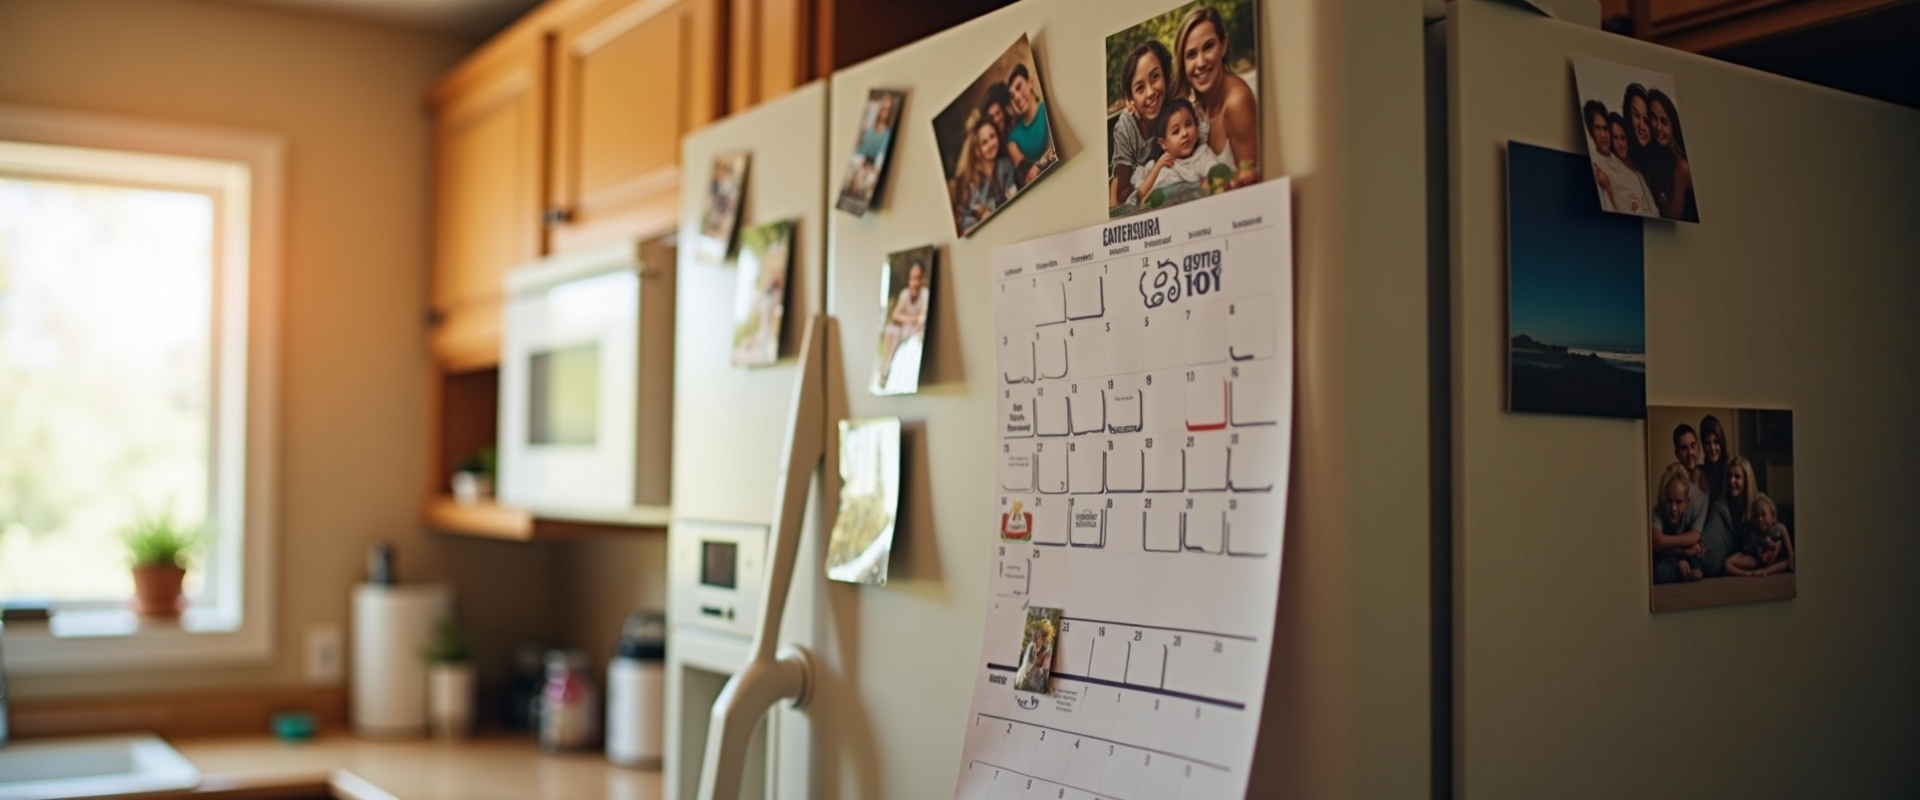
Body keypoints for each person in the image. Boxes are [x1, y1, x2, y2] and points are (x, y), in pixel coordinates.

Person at [1171, 6, 1258, 189]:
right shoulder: (1197, 106)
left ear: (1223, 45)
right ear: (1182, 63)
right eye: (1191, 55)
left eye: (1208, 47)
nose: (1201, 63)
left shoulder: (1237, 102)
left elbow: (1251, 185)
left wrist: (1208, 186)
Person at [1109, 39, 1174, 210]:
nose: (1150, 92)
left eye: (1155, 77)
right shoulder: (1127, 127)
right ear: (1130, 99)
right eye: (1140, 88)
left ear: (1165, 76)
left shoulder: (1176, 108)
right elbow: (1119, 197)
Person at [1133, 98, 1222, 200]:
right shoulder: (1162, 165)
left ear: (1197, 126)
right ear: (1163, 144)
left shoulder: (1202, 155)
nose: (1184, 133)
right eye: (1176, 131)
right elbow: (1141, 195)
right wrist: (1157, 167)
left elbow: (1216, 172)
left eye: (1189, 124)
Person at [951, 110, 1017, 235]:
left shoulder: (1006, 166)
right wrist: (979, 219)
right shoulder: (970, 179)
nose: (991, 144)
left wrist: (989, 210)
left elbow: (1013, 194)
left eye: (992, 136)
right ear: (977, 149)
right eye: (984, 142)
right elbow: (965, 221)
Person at [1651, 465, 1708, 583]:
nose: (1673, 508)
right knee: (1660, 570)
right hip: (1663, 555)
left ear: (1687, 503)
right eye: (1669, 501)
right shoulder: (1658, 512)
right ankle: (1684, 571)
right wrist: (1684, 551)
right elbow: (1656, 543)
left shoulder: (1693, 510)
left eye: (1678, 502)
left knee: (1704, 556)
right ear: (1663, 499)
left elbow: (1694, 538)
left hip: (1682, 554)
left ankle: (1689, 570)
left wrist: (1688, 552)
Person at [1646, 89, 1697, 221]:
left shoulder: (1681, 166)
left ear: (1673, 126)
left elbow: (1671, 221)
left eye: (1664, 122)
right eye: (1653, 118)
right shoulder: (1660, 159)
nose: (1658, 127)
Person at [878, 259, 930, 386]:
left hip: (915, 332)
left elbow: (923, 317)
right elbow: (895, 315)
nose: (915, 283)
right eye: (912, 278)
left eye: (918, 278)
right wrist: (913, 318)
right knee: (892, 331)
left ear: (922, 279)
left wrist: (911, 320)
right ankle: (884, 372)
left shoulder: (924, 293)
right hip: (904, 331)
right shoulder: (905, 294)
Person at [1005, 63, 1055, 187]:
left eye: (1019, 87)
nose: (1017, 97)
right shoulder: (1013, 137)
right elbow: (1025, 171)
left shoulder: (1049, 108)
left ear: (1030, 83)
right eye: (1012, 96)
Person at [1724, 494, 1793, 577]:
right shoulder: (1754, 533)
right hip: (1757, 561)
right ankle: (1749, 574)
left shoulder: (1781, 529)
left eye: (1763, 514)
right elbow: (1747, 551)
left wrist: (1775, 546)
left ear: (1773, 516)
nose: (1760, 519)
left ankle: (1766, 571)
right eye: (1757, 516)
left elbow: (1791, 557)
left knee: (1789, 560)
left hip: (1778, 561)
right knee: (1728, 563)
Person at [1606, 113, 1655, 215]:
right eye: (1616, 138)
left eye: (1623, 137)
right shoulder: (1613, 170)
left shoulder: (1636, 166)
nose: (1621, 143)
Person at [1698, 414, 1729, 504]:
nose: (1712, 447)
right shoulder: (1700, 473)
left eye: (1716, 442)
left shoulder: (1730, 470)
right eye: (1708, 443)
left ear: (1722, 443)